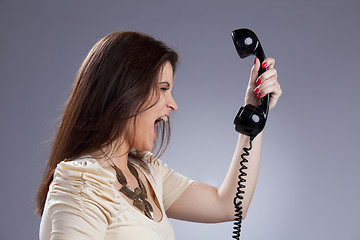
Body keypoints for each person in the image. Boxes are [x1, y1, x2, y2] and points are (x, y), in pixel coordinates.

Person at [36, 31, 282, 239]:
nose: (173, 104)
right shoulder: (83, 184)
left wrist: (253, 116)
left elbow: (229, 205)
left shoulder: (146, 172)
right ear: (124, 91)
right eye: (163, 89)